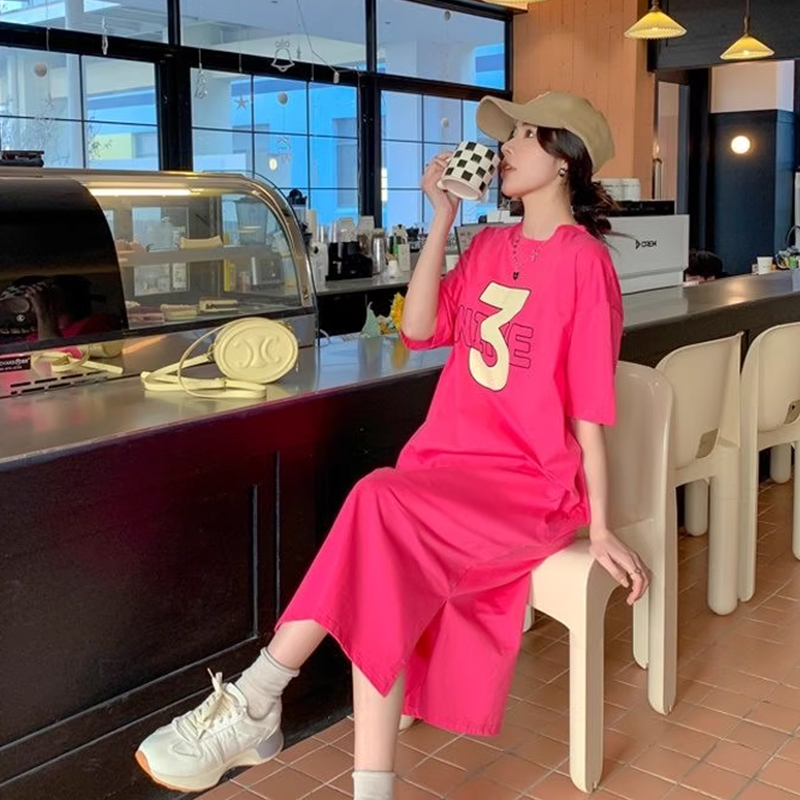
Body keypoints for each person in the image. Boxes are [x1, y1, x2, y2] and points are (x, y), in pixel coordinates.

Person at [135, 91, 650, 800]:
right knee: (380, 541)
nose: (504, 148)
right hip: (449, 469)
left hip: (530, 485)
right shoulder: (488, 245)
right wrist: (441, 219)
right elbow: (420, 329)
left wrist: (603, 526)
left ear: (565, 159)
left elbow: (591, 409)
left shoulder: (586, 263)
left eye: (525, 135)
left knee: (376, 500)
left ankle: (258, 697)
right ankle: (345, 770)